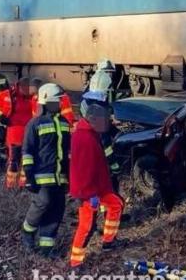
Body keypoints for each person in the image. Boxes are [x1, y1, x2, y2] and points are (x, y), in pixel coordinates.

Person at [68, 104, 126, 271]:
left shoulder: (89, 133)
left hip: (98, 187)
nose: (107, 123)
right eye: (104, 120)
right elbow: (84, 170)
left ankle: (109, 241)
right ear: (93, 120)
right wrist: (91, 194)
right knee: (87, 226)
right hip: (88, 191)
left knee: (116, 204)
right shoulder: (85, 138)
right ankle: (76, 263)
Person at [21, 83, 72, 256]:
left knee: (57, 211)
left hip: (60, 177)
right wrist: (28, 177)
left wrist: (70, 176)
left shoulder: (64, 123)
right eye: (57, 100)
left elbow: (68, 151)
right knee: (42, 203)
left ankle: (46, 248)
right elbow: (27, 151)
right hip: (41, 177)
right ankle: (27, 232)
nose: (60, 104)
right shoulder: (34, 124)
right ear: (47, 101)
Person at [5, 77, 35, 189]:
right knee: (14, 160)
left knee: (26, 159)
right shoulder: (11, 95)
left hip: (27, 132)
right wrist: (2, 119)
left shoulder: (33, 97)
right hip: (15, 133)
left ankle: (22, 184)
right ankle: (11, 185)